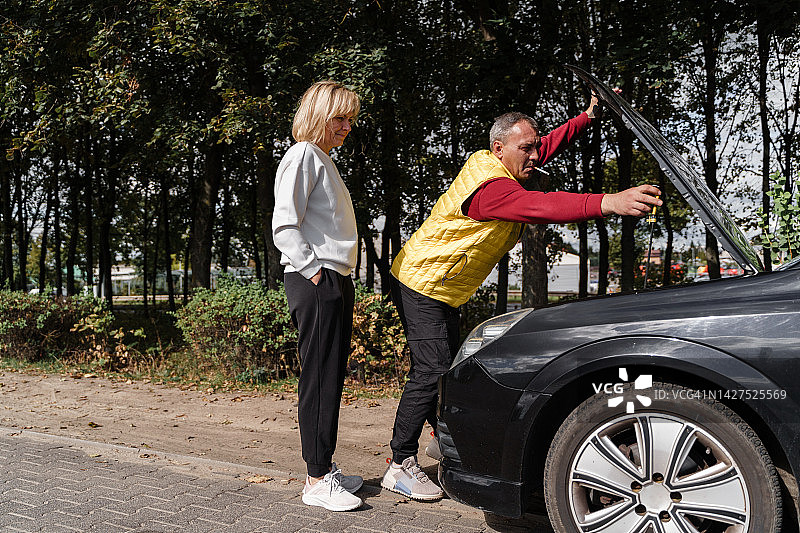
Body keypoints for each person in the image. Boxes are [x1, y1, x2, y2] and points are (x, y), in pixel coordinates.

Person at [381, 94, 662, 501]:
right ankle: (400, 464)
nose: (535, 154)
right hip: (422, 280)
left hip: (443, 284)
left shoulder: (507, 162)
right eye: (525, 148)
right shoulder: (491, 188)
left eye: (534, 146)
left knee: (445, 370)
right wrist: (608, 201)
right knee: (432, 370)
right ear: (499, 149)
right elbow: (541, 205)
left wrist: (586, 117)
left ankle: (439, 439)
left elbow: (546, 145)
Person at [272, 81, 364, 512]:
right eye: (340, 118)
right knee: (319, 377)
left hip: (331, 278)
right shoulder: (304, 155)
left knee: (331, 376)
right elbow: (285, 223)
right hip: (317, 278)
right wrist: (314, 273)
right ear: (318, 116)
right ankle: (315, 479)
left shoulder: (323, 160)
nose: (347, 126)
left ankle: (324, 467)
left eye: (351, 119)